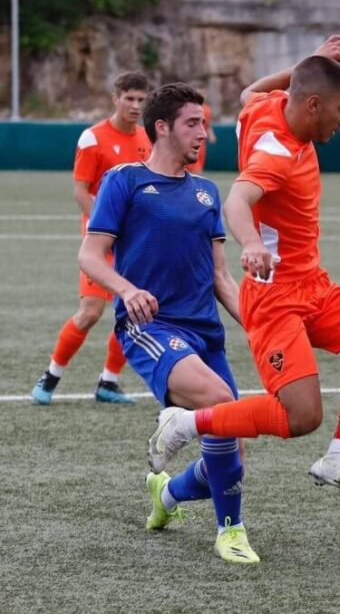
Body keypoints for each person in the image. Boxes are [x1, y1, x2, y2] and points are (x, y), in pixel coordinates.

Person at [147, 35, 340, 498]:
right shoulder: (277, 155)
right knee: (302, 417)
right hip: (274, 298)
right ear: (312, 105)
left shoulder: (266, 107)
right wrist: (250, 242)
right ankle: (186, 423)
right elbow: (237, 199)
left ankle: (339, 456)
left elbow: (249, 92)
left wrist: (313, 62)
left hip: (313, 284)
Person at [78, 83, 259, 563]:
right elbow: (90, 255)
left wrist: (259, 326)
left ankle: (168, 494)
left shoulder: (206, 191)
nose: (203, 132)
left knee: (232, 457)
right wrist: (127, 290)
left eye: (204, 122)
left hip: (206, 333)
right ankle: (230, 531)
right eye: (192, 123)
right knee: (221, 404)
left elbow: (221, 277)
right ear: (162, 127)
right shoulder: (125, 180)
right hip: (152, 329)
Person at [31, 72, 151, 406]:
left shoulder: (148, 139)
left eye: (141, 100)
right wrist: (106, 228)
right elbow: (80, 191)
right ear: (115, 98)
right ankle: (51, 376)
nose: (135, 106)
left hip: (134, 244)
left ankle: (108, 382)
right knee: (90, 312)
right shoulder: (92, 138)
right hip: (100, 244)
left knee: (134, 311)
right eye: (129, 98)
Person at [186, 82, 217, 174]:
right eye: (199, 93)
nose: (202, 95)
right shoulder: (187, 108)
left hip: (201, 143)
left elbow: (208, 125)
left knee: (199, 166)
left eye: (203, 93)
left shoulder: (207, 109)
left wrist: (211, 135)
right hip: (190, 141)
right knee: (193, 168)